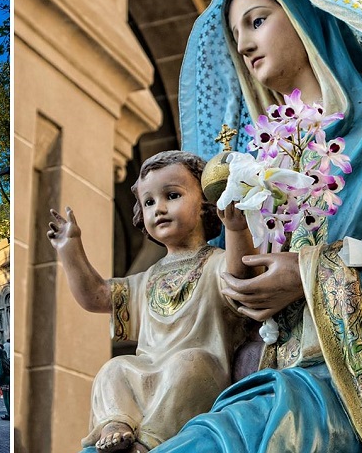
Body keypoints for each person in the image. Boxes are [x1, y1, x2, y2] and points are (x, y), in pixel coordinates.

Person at [146, 0, 362, 451]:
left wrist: (310, 273)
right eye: (236, 35)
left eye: (257, 20)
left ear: (305, 14)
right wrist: (233, 232)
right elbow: (242, 286)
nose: (246, 43)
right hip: (269, 376)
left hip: (360, 386)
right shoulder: (261, 158)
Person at [51, 151, 255, 452]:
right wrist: (69, 249)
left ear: (206, 205)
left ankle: (149, 440)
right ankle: (117, 422)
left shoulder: (216, 263)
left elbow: (242, 277)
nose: (158, 208)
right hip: (147, 370)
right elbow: (95, 295)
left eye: (171, 195)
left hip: (201, 372)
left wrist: (237, 229)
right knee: (114, 369)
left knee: (187, 364)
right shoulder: (147, 279)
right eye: (148, 202)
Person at [0, 344, 11, 421]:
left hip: (4, 381)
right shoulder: (7, 361)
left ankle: (9, 413)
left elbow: (0, 374)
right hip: (9, 379)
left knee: (6, 399)